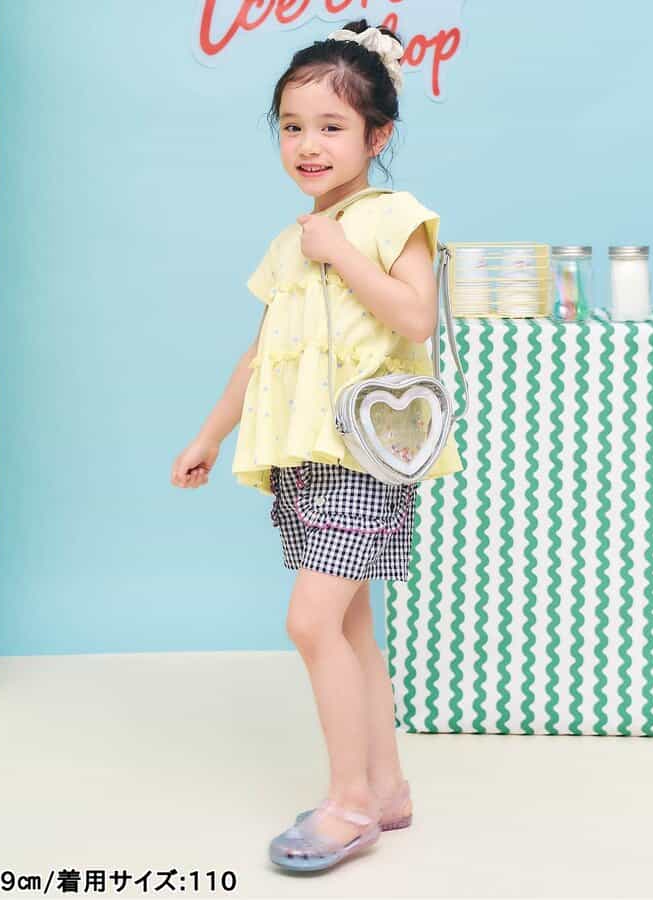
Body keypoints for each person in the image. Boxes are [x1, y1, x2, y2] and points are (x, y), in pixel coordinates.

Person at [171, 18, 464, 873]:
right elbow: (259, 355)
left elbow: (416, 317)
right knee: (351, 628)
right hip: (305, 460)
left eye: (332, 126)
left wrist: (339, 250)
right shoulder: (287, 245)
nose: (308, 144)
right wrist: (208, 435)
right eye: (293, 126)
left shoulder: (393, 218)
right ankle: (389, 788)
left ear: (378, 136)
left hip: (366, 456)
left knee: (310, 622)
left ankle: (349, 804)